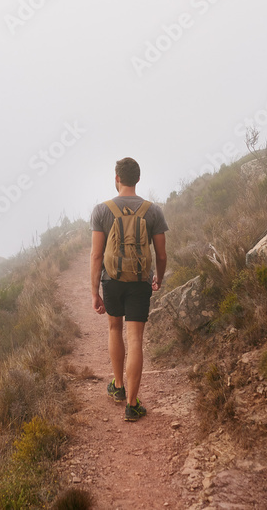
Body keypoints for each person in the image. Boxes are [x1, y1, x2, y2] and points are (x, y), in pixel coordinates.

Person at [89, 157, 168, 422]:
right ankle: (132, 405)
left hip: (111, 280)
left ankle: (118, 387)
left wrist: (94, 292)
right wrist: (158, 278)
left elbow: (96, 255)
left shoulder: (102, 210)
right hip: (139, 282)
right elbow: (161, 254)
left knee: (114, 328)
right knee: (135, 339)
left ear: (117, 178)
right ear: (138, 179)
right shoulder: (153, 211)